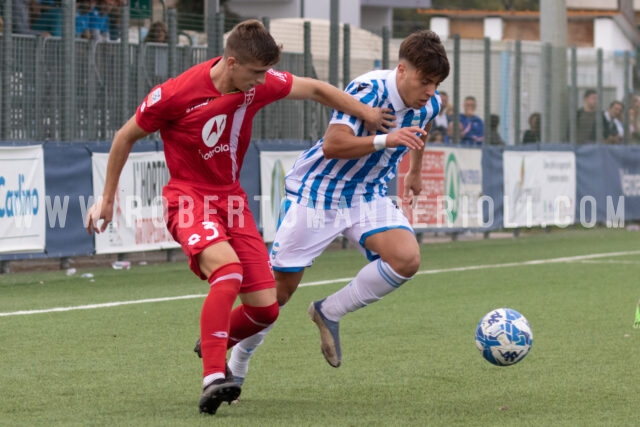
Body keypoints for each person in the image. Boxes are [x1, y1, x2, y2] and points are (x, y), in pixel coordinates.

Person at [85, 19, 393, 415]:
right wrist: (107, 199)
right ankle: (214, 377)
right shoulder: (175, 94)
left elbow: (316, 89)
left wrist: (365, 112)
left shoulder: (257, 84)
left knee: (266, 309)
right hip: (188, 198)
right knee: (227, 272)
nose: (263, 81)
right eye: (256, 73)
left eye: (266, 73)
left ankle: (217, 336)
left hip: (232, 202)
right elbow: (123, 137)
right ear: (231, 63)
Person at [222, 29, 449, 383]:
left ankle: (329, 312)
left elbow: (425, 124)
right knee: (277, 294)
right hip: (319, 194)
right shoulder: (369, 90)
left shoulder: (429, 102)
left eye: (435, 83)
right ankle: (236, 366)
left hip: (367, 195)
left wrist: (414, 171)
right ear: (402, 71)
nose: (431, 92)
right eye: (425, 81)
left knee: (407, 259)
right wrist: (386, 139)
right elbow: (333, 145)